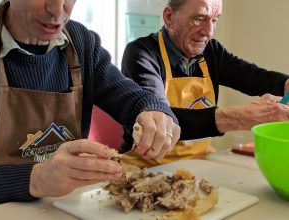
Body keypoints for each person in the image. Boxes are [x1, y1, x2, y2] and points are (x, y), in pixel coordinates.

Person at [0, 0, 181, 211]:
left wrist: (155, 110)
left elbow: (134, 98)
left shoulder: (82, 43)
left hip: (67, 209)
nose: (58, 10)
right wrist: (38, 177)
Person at [120, 0, 289, 167]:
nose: (208, 31)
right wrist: (238, 117)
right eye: (199, 18)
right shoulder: (142, 54)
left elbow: (253, 77)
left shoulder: (211, 52)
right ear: (169, 17)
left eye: (214, 20)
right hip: (146, 167)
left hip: (199, 162)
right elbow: (160, 119)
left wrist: (285, 83)